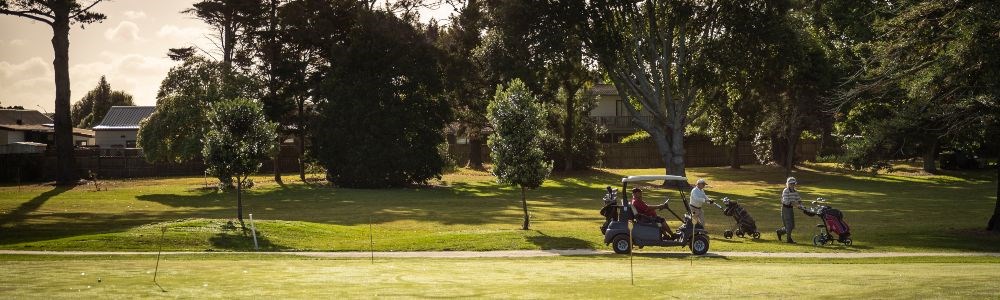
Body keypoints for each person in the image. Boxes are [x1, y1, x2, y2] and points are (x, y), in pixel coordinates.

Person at [776, 177, 803, 243]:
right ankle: (789, 239)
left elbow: (799, 199)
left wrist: (801, 205)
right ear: (788, 184)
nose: (792, 185)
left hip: (790, 209)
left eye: (793, 183)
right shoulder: (786, 190)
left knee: (792, 226)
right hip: (785, 209)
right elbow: (786, 201)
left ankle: (780, 232)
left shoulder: (795, 191)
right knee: (789, 225)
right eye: (791, 184)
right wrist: (795, 205)